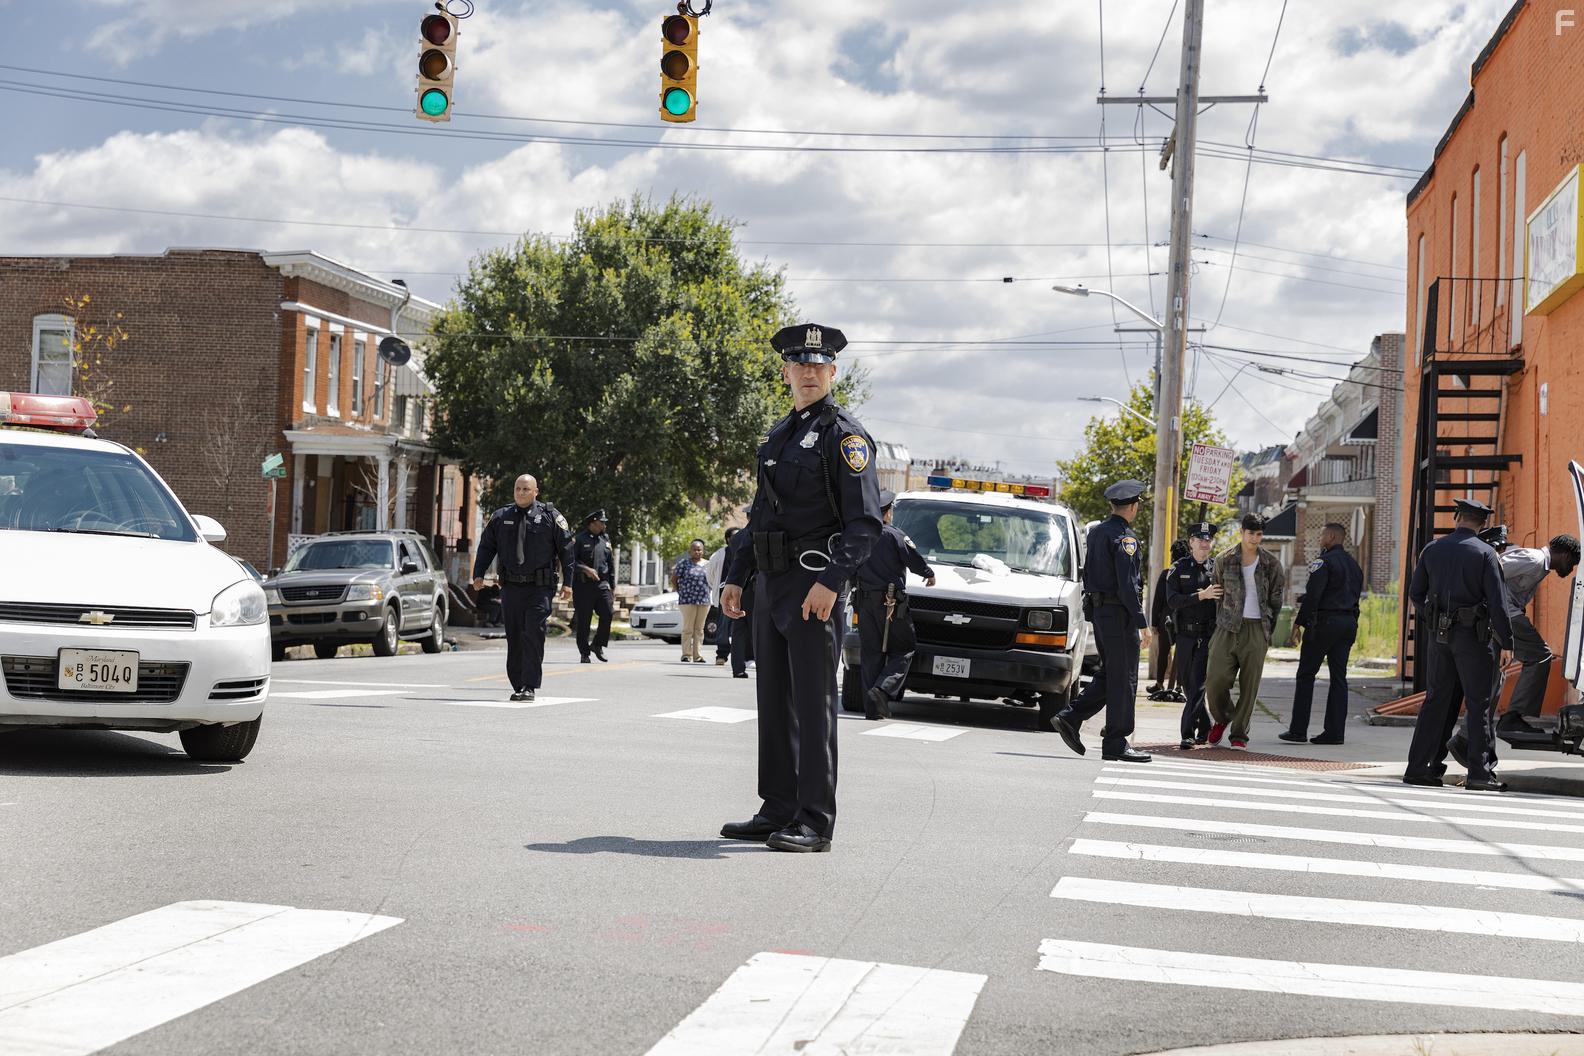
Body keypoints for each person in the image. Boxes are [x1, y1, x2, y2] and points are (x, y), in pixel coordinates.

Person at [719, 322, 882, 853]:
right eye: (799, 364)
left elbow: (865, 524)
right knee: (774, 701)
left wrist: (832, 582)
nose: (808, 372)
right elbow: (759, 515)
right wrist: (736, 576)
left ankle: (815, 821)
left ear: (833, 372)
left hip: (815, 584)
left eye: (818, 365)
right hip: (772, 583)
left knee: (814, 705)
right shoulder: (777, 435)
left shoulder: (845, 437)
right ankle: (778, 808)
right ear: (785, 372)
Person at [1405, 498, 1515, 791]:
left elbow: (1416, 593)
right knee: (1478, 704)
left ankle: (1420, 769)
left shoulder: (1432, 549)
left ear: (1456, 517)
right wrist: (1507, 642)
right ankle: (1479, 773)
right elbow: (1498, 603)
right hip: (1474, 639)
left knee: (1436, 701)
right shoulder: (1486, 553)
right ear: (1483, 523)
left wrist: (1432, 617)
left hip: (1439, 636)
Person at [1050, 479, 1153, 763]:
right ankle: (1116, 741)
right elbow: (1128, 586)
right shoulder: (1125, 538)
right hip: (1120, 615)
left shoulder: (1096, 533)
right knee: (1125, 678)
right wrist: (1142, 623)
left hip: (1102, 614)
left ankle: (1072, 717)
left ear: (1112, 505)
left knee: (1112, 674)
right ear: (1133, 506)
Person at [472, 474, 573, 702]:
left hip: (540, 588)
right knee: (515, 636)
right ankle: (518, 684)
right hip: (511, 587)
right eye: (517, 488)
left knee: (533, 633)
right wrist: (478, 573)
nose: (521, 493)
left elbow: (566, 550)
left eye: (526, 489)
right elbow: (486, 546)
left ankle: (529, 685)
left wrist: (569, 583)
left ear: (536, 492)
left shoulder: (550, 517)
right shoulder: (501, 516)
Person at [852, 488, 937, 719]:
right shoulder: (894, 535)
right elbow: (913, 559)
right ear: (888, 512)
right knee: (903, 649)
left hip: (864, 601)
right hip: (890, 602)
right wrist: (928, 573)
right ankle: (882, 689)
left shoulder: (859, 534)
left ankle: (873, 708)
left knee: (871, 653)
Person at [1280, 522, 1366, 746]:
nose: (1320, 539)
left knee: (1306, 675)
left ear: (1331, 537)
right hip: (1348, 624)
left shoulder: (1323, 562)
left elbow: (1313, 595)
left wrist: (1299, 623)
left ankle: (1298, 730)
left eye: (1322, 535)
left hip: (1325, 623)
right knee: (1339, 678)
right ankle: (1335, 733)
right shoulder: (1354, 565)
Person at [1204, 513, 1286, 749]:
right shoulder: (1224, 559)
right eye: (1250, 533)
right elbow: (1217, 594)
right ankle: (1222, 717)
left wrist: (1266, 632)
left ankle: (1239, 733)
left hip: (1256, 628)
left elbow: (1276, 601)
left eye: (1259, 534)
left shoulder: (1271, 564)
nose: (1254, 538)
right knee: (1215, 681)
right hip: (1226, 628)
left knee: (1250, 686)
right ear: (1241, 532)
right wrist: (1223, 621)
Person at [1166, 521, 1221, 750]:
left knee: (1198, 684)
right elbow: (1172, 601)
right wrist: (1201, 596)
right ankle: (1206, 726)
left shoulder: (1217, 569)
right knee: (1189, 687)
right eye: (1200, 539)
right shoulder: (1178, 568)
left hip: (1206, 636)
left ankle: (1187, 734)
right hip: (1184, 636)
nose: (1205, 543)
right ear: (1191, 542)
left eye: (1208, 539)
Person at [1146, 539, 1191, 702]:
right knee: (1182, 654)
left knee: (1163, 653)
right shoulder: (1189, 575)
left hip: (1166, 619)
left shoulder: (1166, 574)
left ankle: (1160, 683)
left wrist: (1154, 623)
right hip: (1185, 619)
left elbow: (1157, 600)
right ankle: (1179, 685)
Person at [572, 509, 615, 664]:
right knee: (584, 621)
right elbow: (570, 562)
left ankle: (597, 644)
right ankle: (584, 653)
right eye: (601, 522)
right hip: (583, 586)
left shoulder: (606, 540)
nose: (604, 525)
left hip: (602, 584)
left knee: (608, 613)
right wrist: (585, 569)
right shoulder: (579, 539)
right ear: (592, 523)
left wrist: (612, 586)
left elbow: (610, 565)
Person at [707, 528, 750, 677]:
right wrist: (719, 588)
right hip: (726, 595)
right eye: (733, 537)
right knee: (724, 627)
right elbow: (710, 575)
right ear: (727, 539)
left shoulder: (747, 548)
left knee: (744, 628)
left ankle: (748, 658)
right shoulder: (719, 555)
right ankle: (722, 654)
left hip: (747, 594)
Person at [672, 538, 711, 663]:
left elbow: (712, 579)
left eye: (699, 550)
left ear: (703, 551)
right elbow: (674, 579)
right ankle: (686, 654)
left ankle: (697, 655)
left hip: (704, 600)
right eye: (694, 550)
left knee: (699, 629)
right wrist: (680, 592)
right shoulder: (683, 563)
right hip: (687, 600)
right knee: (688, 628)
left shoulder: (708, 564)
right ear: (690, 551)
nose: (697, 552)